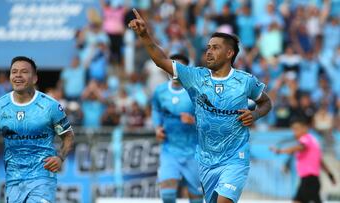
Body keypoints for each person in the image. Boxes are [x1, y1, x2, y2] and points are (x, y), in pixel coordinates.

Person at [128, 9, 272, 203]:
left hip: (235, 157)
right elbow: (161, 61)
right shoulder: (196, 77)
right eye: (208, 47)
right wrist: (145, 35)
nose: (209, 51)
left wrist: (255, 115)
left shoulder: (245, 81)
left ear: (229, 53)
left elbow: (266, 102)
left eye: (215, 47)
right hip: (205, 160)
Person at [0, 56, 74, 203]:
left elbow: (68, 136)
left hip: (42, 177)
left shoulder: (50, 106)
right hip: (13, 179)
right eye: (14, 72)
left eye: (24, 72)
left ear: (35, 78)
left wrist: (60, 157)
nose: (18, 75)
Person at [152, 54, 203, 203]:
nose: (174, 71)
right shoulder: (160, 91)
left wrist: (194, 121)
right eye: (171, 67)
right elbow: (156, 109)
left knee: (196, 198)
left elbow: (210, 119)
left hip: (193, 152)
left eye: (178, 68)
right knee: (167, 195)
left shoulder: (196, 92)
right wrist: (157, 128)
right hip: (170, 151)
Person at [270, 118, 336, 203]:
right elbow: (320, 161)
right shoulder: (314, 140)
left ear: (304, 129)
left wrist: (281, 151)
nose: (294, 132)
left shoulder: (305, 139)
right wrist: (330, 175)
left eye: (296, 129)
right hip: (311, 180)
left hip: (309, 180)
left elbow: (301, 147)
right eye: (293, 129)